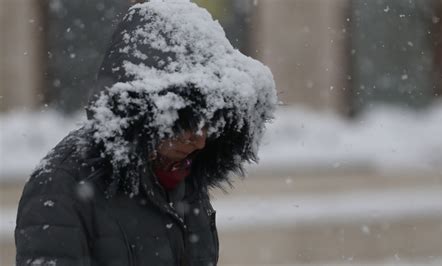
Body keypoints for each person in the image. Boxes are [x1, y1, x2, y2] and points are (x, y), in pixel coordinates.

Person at [15, 0, 277, 265]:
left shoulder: (184, 176)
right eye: (184, 122)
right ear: (141, 116)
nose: (200, 140)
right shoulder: (59, 186)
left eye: (210, 121)